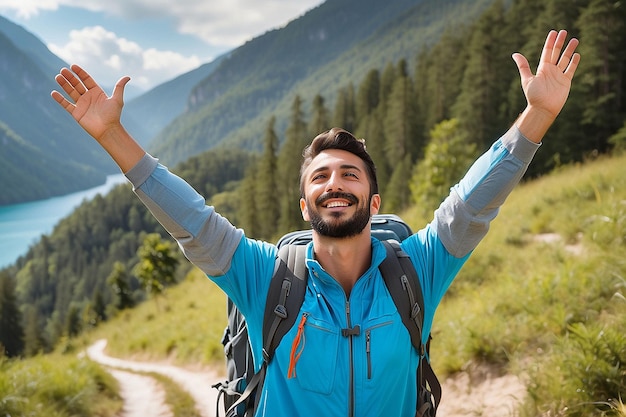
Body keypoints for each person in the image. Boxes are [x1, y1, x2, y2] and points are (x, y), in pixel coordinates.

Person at [52, 30, 580, 417]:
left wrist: (537, 119)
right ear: (305, 206)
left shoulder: (418, 270)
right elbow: (194, 223)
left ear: (374, 203)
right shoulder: (266, 279)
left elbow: (470, 205)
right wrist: (113, 138)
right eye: (321, 177)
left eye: (350, 174)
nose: (335, 184)